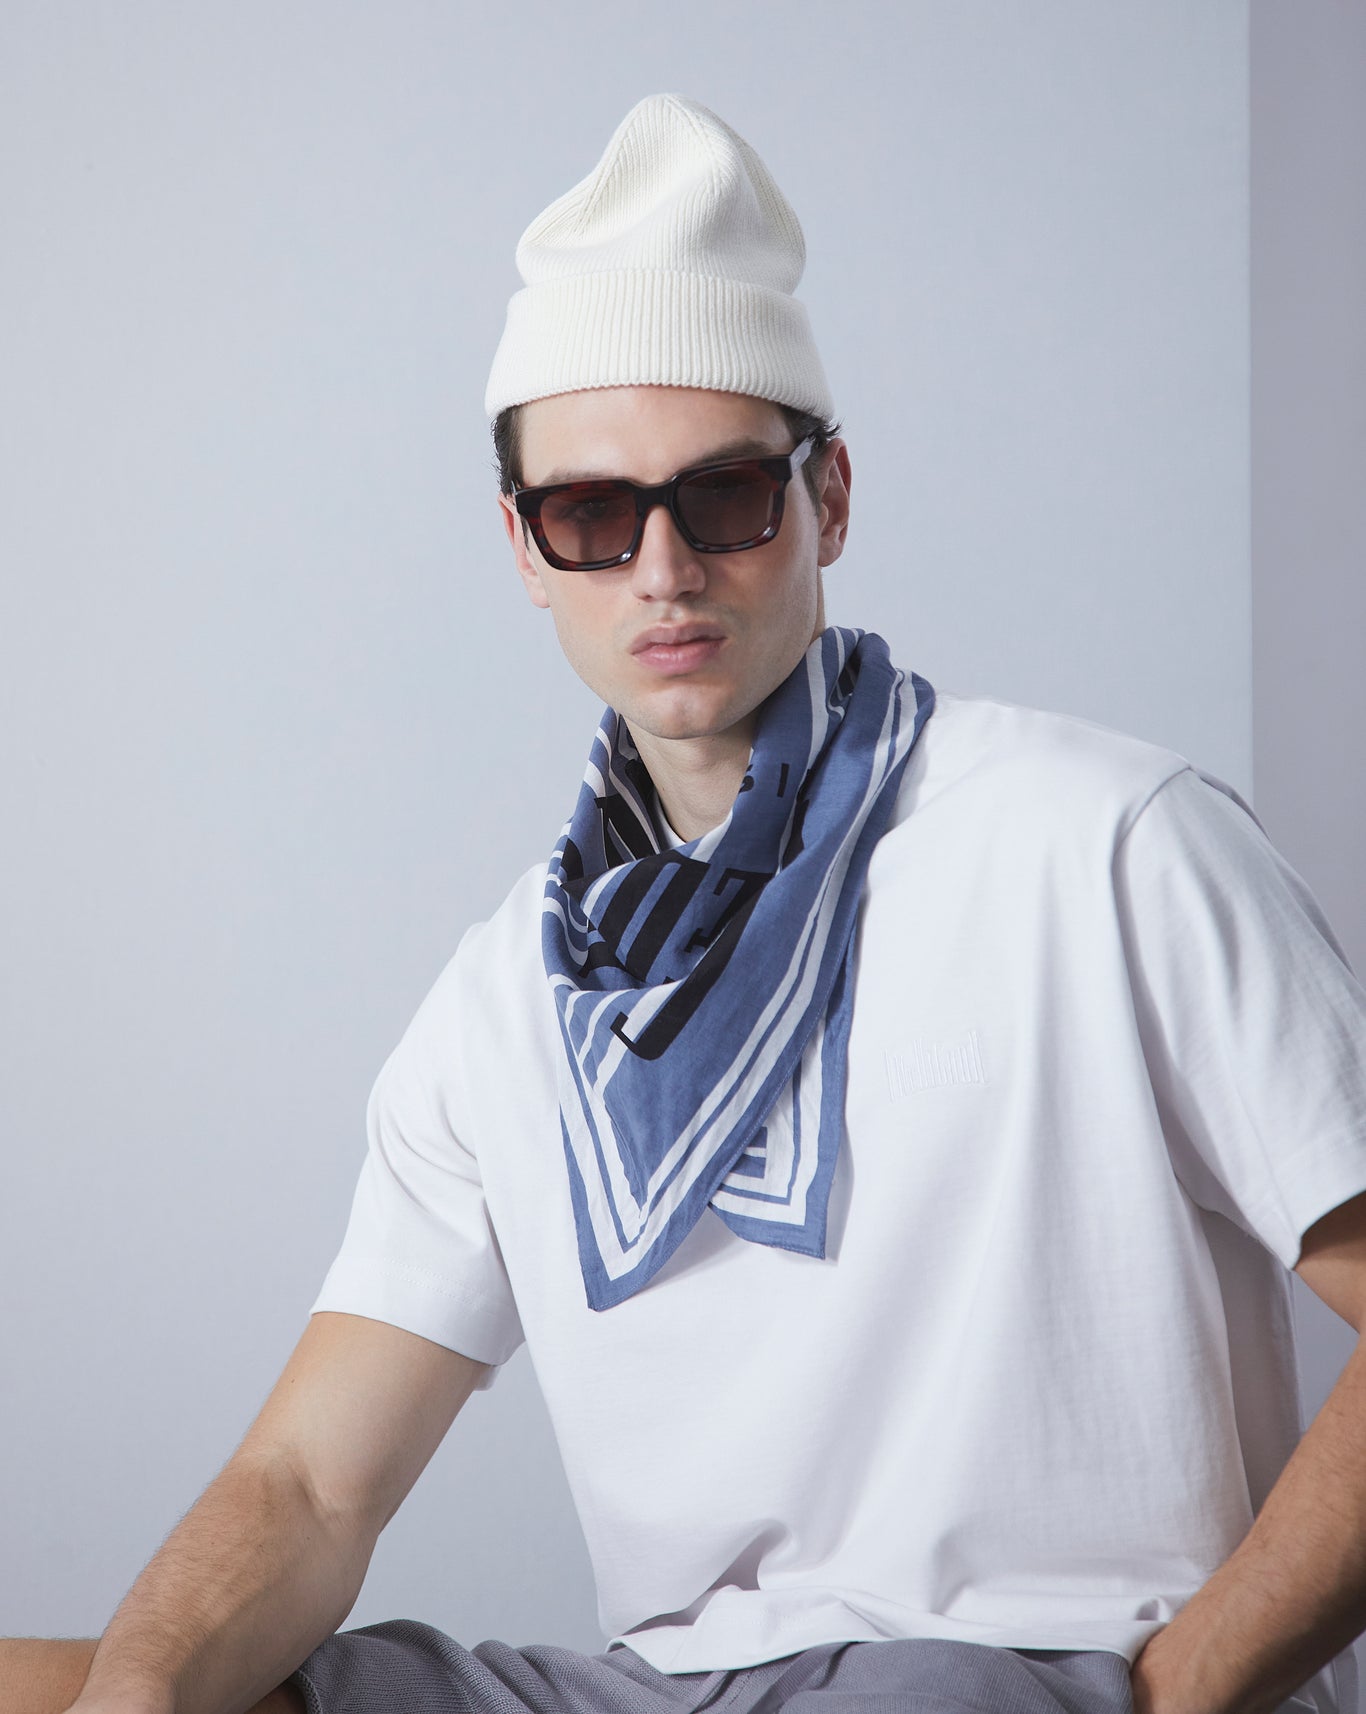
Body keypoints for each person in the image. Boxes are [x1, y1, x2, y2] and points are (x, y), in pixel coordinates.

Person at [5, 92, 1366, 1714]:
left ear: (826, 498)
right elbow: (308, 1483)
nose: (662, 569)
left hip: (1024, 1672)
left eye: (721, 495)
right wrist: (140, 1699)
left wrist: (1175, 1691)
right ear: (524, 547)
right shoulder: (508, 995)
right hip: (659, 1690)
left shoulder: (1104, 844)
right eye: (590, 514)